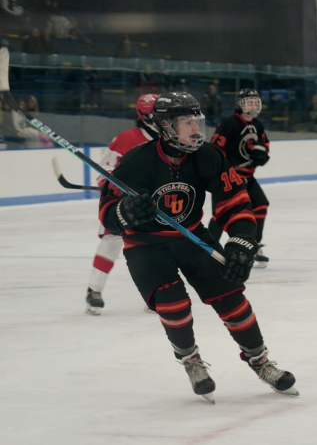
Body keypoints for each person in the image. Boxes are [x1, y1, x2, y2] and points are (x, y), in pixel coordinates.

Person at [98, 91, 298, 402]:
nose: (196, 129)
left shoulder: (206, 156)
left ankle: (260, 360)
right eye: (187, 123)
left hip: (192, 235)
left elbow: (235, 203)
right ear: (166, 127)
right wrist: (125, 213)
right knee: (172, 301)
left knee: (230, 295)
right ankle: (191, 360)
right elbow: (108, 214)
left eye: (197, 121)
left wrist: (242, 240)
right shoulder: (137, 161)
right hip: (145, 244)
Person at [85, 94, 160, 315]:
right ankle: (94, 291)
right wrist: (120, 189)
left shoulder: (168, 140)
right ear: (144, 115)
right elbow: (104, 172)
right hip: (121, 206)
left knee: (154, 248)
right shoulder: (127, 138)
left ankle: (154, 294)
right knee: (111, 242)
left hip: (152, 206)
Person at [209, 88, 270, 268]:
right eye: (248, 102)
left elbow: (264, 146)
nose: (252, 105)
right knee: (222, 213)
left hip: (248, 177)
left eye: (255, 102)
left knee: (260, 205)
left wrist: (262, 155)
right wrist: (224, 172)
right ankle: (208, 249)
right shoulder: (229, 124)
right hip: (229, 178)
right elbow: (215, 151)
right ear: (240, 105)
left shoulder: (258, 125)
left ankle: (254, 245)